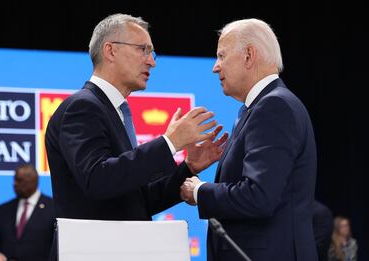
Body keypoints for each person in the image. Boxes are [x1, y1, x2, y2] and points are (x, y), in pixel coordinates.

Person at [45, 13, 227, 260]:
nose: (151, 61)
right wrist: (169, 142)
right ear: (110, 51)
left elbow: (138, 201)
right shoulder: (83, 107)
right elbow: (98, 180)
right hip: (92, 252)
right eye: (143, 49)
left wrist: (187, 168)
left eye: (152, 53)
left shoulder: (114, 111)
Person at [180, 18, 318, 260]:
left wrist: (200, 191)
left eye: (222, 56)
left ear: (248, 56)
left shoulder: (274, 106)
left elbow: (259, 196)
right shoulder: (262, 106)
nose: (215, 67)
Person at [0, 164, 55, 261]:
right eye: (14, 180)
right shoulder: (4, 209)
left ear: (33, 182)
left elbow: (56, 247)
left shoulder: (53, 208)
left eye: (20, 180)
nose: (15, 184)